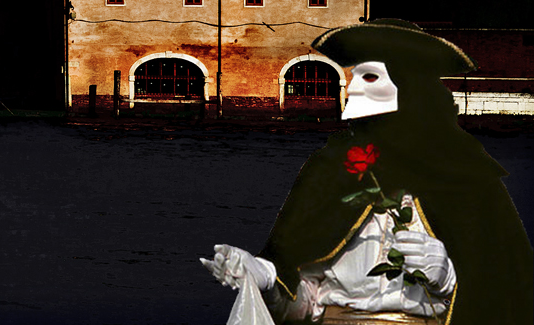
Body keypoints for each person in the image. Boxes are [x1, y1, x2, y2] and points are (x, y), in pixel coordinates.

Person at [202, 18, 532, 323]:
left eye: (369, 77)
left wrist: (450, 279)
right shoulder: (329, 170)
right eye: (354, 76)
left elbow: (507, 293)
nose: (354, 88)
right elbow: (301, 307)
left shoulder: (469, 178)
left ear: (410, 88)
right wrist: (264, 277)